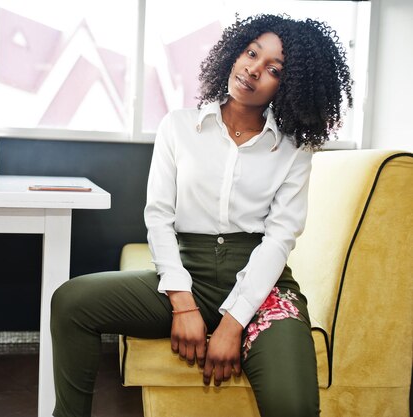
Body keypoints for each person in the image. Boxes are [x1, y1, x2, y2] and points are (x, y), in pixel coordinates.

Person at [51, 14, 352, 417]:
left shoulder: (294, 149)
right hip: (187, 274)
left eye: (273, 69)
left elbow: (279, 239)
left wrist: (232, 322)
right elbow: (159, 216)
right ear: (234, 52)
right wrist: (182, 302)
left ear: (291, 85)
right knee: (72, 302)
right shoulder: (178, 126)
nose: (253, 69)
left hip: (263, 290)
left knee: (294, 406)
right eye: (251, 53)